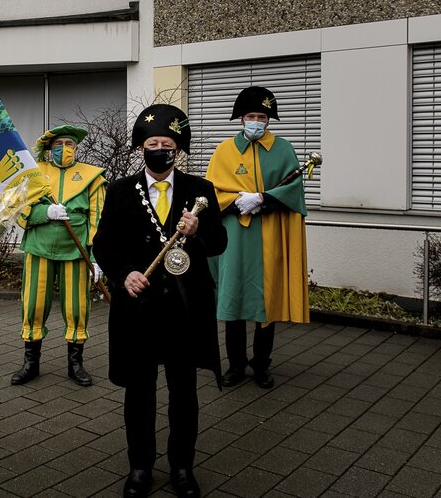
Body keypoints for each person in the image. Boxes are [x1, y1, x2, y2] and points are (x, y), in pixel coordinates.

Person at [93, 104, 227, 498]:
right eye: (152, 143)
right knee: (139, 391)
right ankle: (140, 467)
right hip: (138, 308)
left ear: (178, 149)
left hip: (185, 310)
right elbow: (104, 242)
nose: (159, 149)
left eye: (167, 144)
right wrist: (123, 274)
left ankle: (182, 467)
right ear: (141, 147)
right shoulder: (119, 190)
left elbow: (219, 242)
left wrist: (199, 228)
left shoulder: (199, 191)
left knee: (184, 391)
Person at [206, 86, 309, 390]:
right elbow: (209, 191)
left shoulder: (284, 149)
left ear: (269, 120)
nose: (255, 121)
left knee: (268, 300)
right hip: (234, 236)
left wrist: (263, 198)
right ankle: (236, 365)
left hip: (269, 234)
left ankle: (261, 364)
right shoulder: (224, 150)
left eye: (261, 116)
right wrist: (234, 200)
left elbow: (294, 191)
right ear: (241, 118)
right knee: (233, 298)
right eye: (250, 115)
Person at [12, 125, 107, 386]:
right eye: (58, 143)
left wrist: (96, 257)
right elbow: (19, 211)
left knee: (77, 308)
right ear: (48, 147)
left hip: (75, 253)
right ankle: (31, 362)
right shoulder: (34, 174)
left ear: (77, 148)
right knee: (33, 304)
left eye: (70, 143)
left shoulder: (93, 177)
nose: (64, 148)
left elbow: (98, 220)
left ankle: (75, 364)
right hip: (39, 249)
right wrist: (45, 213)